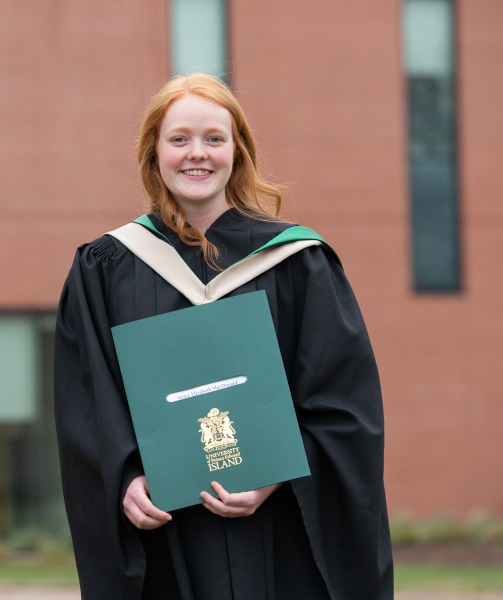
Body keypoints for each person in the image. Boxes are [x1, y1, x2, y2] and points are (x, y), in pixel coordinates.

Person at [54, 73, 393, 599]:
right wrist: (122, 482)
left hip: (281, 534)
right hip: (168, 537)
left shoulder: (298, 263)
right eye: (179, 139)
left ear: (238, 151)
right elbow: (87, 400)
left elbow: (345, 402)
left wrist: (277, 474)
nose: (198, 154)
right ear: (154, 153)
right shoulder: (106, 268)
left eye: (215, 138)